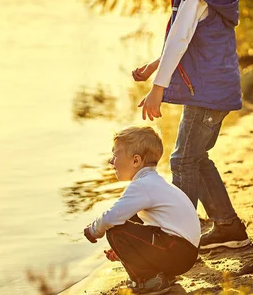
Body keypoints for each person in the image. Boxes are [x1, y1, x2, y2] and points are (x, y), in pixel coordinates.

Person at [132, 0, 250, 250]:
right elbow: (185, 40)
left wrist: (158, 89)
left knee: (183, 159)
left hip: (208, 91)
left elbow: (181, 39)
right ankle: (227, 225)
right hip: (213, 87)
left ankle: (178, 236)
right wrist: (156, 65)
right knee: (196, 157)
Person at [83, 125, 200, 294]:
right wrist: (127, 250)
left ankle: (148, 281)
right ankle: (162, 277)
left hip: (177, 251)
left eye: (115, 155)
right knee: (130, 220)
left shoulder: (142, 186)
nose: (111, 161)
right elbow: (144, 226)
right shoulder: (154, 182)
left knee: (115, 230)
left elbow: (110, 218)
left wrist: (93, 230)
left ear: (136, 161)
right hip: (183, 252)